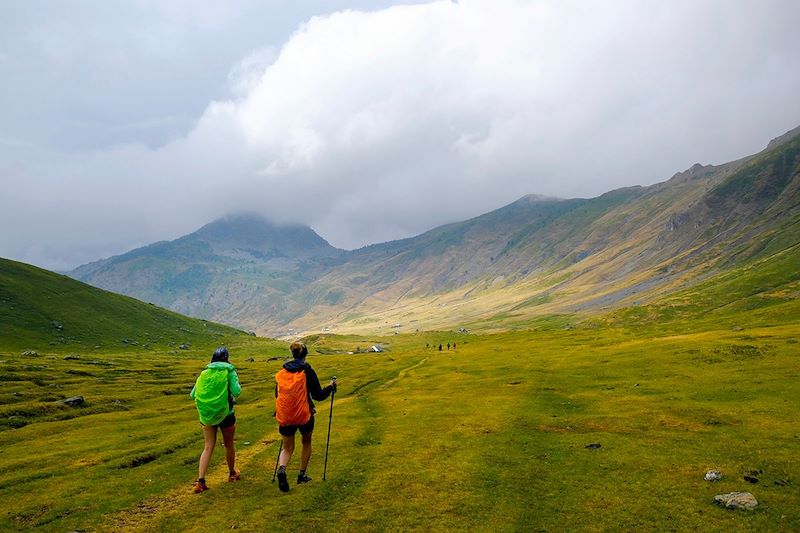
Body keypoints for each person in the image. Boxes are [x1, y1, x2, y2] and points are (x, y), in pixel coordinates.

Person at [274, 342, 336, 492]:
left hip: (286, 415)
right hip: (304, 414)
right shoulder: (307, 371)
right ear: (305, 354)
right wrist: (330, 387)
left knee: (287, 447)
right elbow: (318, 395)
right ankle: (301, 474)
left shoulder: (283, 372)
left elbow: (277, 394)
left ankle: (282, 469)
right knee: (306, 442)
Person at [190, 346, 242, 493]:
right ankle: (232, 474)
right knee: (229, 444)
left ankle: (201, 481)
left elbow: (193, 394)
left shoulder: (204, 373)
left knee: (208, 447)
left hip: (206, 416)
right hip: (226, 413)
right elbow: (237, 392)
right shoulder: (229, 371)